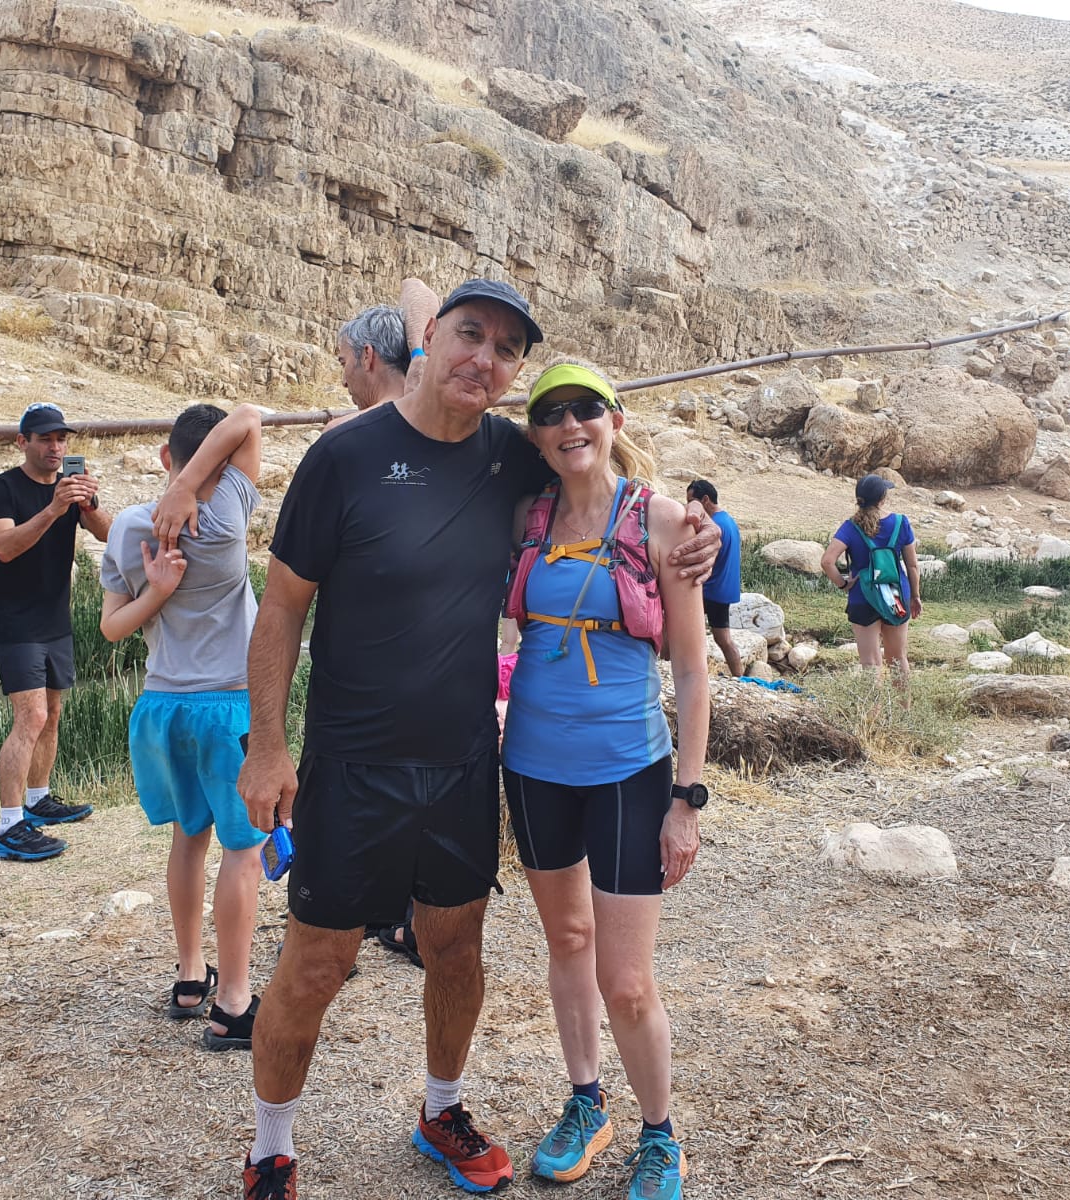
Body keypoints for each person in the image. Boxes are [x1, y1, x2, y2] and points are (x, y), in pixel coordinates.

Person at [153, 278, 721, 1200]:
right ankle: (270, 1149)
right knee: (317, 962)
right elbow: (282, 609)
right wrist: (267, 747)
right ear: (430, 336)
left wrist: (696, 529)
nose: (484, 359)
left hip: (462, 765)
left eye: (506, 349)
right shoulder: (345, 456)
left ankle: (441, 1110)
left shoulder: (510, 455)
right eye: (469, 334)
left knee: (454, 950)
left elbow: (601, 470)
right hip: (351, 764)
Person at [502, 362, 708, 1200]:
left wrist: (687, 800)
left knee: (626, 981)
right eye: (550, 414)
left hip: (629, 768)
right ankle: (586, 1102)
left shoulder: (664, 522)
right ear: (536, 434)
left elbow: (691, 669)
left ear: (615, 419)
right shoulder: (525, 514)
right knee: (567, 942)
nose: (569, 425)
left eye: (585, 408)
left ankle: (660, 1136)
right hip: (532, 766)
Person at [98, 402, 267, 1049]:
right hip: (228, 708)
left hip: (162, 707)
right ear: (223, 467)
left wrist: (158, 591)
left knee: (188, 839)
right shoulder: (224, 518)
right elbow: (247, 418)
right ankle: (234, 1001)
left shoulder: (129, 527)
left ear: (166, 457)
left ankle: (192, 977)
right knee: (243, 852)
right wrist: (196, 482)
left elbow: (113, 628)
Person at [0, 402, 111, 862]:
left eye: (61, 439)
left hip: (55, 618)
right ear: (23, 442)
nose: (55, 448)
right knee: (30, 717)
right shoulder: (0, 489)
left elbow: (107, 535)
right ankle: (8, 826)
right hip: (14, 621)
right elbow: (4, 547)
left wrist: (88, 504)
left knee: (52, 713)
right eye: (45, 439)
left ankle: (38, 800)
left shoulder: (68, 489)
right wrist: (54, 510)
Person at [820, 473, 922, 688]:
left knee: (870, 664)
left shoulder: (850, 527)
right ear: (882, 499)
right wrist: (915, 596)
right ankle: (904, 708)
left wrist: (843, 584)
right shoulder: (900, 523)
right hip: (895, 595)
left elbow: (827, 561)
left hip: (863, 597)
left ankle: (872, 710)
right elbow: (912, 565)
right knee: (898, 659)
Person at [323, 280, 441, 431]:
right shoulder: (438, 419)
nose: (344, 382)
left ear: (367, 356)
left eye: (344, 363)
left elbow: (412, 284)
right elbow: (417, 288)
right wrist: (419, 354)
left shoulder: (341, 431)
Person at [686, 479, 742, 676]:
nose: (689, 507)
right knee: (724, 639)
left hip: (709, 589)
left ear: (705, 500)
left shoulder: (713, 526)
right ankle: (739, 678)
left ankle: (669, 666)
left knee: (676, 627)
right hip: (724, 590)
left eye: (691, 501)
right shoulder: (729, 521)